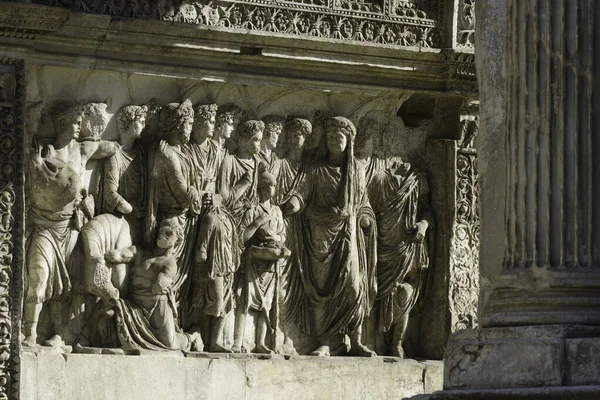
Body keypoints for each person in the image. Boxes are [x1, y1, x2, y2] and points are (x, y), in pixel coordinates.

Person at [23, 103, 118, 347]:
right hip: (44, 225)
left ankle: (59, 333)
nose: (79, 127)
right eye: (76, 122)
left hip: (71, 227)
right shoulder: (46, 150)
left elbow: (111, 147)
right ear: (62, 123)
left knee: (66, 283)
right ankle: (29, 332)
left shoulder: (83, 150)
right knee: (39, 275)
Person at [284, 116, 377, 357]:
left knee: (354, 288)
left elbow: (363, 201)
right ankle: (325, 342)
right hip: (321, 236)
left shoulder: (356, 171)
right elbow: (302, 193)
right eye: (330, 137)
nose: (335, 141)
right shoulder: (317, 169)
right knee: (321, 291)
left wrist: (365, 217)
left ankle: (355, 340)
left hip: (349, 234)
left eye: (339, 137)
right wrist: (293, 204)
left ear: (349, 141)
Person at [104, 218, 203, 351]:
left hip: (156, 306)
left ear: (177, 240)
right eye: (161, 232)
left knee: (170, 344)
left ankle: (193, 336)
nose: (162, 235)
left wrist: (161, 282)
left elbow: (157, 287)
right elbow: (118, 255)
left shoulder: (170, 263)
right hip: (135, 304)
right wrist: (111, 254)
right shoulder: (140, 252)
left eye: (168, 233)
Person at [368, 160, 433, 357]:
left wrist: (423, 225)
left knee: (405, 292)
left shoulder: (417, 179)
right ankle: (374, 340)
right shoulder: (378, 177)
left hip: (408, 243)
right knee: (376, 290)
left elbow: (427, 210)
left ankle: (397, 342)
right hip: (382, 242)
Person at [232, 171, 290, 354]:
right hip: (254, 260)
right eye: (268, 184)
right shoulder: (253, 210)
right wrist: (257, 223)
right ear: (261, 187)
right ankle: (237, 341)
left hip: (271, 263)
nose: (272, 188)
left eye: (274, 184)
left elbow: (282, 234)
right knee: (245, 300)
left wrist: (276, 237)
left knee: (267, 303)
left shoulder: (277, 211)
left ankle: (259, 342)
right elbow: (241, 237)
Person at [102, 104, 148, 245]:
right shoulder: (115, 155)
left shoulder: (141, 152)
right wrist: (125, 206)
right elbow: (109, 193)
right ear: (126, 124)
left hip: (142, 215)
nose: (144, 125)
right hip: (123, 218)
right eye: (140, 122)